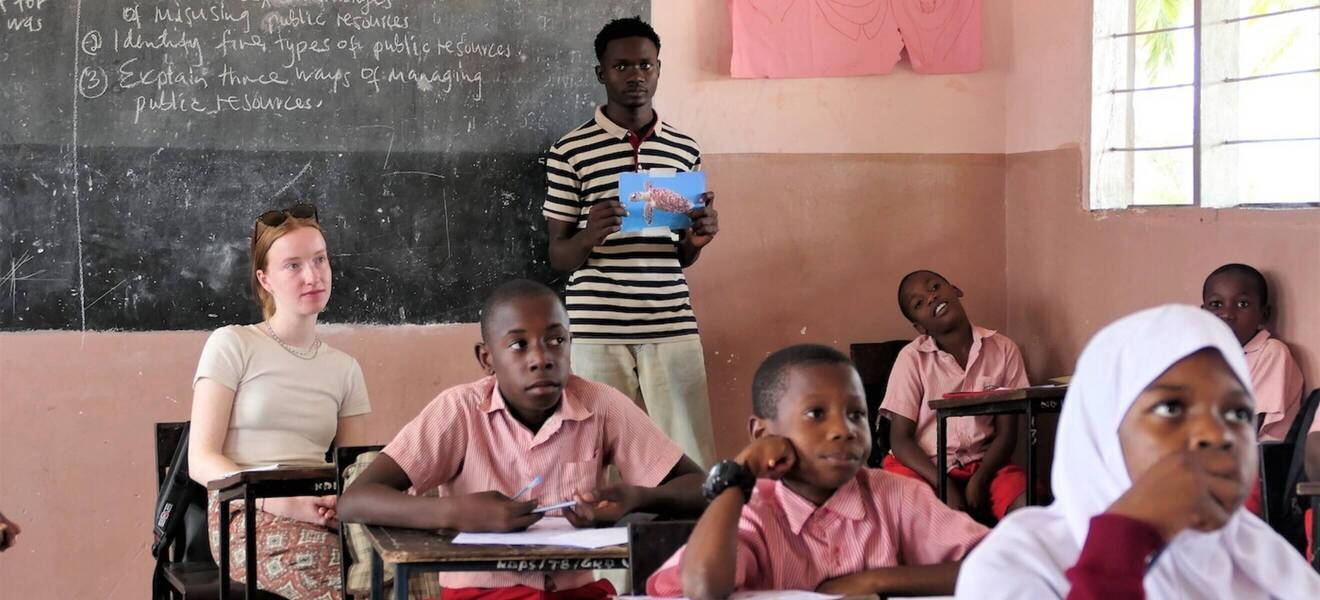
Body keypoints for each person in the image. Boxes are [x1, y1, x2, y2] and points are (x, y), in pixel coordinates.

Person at [338, 279, 706, 600]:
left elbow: (701, 486)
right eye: (518, 345)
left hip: (577, 593)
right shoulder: (459, 410)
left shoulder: (601, 404)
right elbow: (355, 500)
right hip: (480, 596)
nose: (541, 358)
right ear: (487, 358)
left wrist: (637, 497)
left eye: (555, 340)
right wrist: (455, 512)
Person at [956, 305, 1320, 599]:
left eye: (1237, 413)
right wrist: (1121, 543)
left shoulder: (1261, 559)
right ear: (1102, 429)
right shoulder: (1022, 564)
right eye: (1171, 409)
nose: (1217, 435)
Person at [647, 344, 987, 598]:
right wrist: (741, 471)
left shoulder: (896, 495)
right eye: (816, 414)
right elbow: (702, 587)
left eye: (856, 414)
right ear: (763, 434)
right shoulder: (754, 511)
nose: (844, 430)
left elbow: (996, 561)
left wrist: (874, 580)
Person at [542, 16, 718, 468]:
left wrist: (696, 240)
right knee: (594, 457)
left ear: (658, 69)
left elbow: (680, 254)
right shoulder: (571, 150)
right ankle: (605, 540)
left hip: (669, 320)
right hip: (598, 327)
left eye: (645, 65)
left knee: (689, 454)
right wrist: (589, 234)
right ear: (601, 73)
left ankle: (690, 538)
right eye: (621, 66)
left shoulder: (683, 148)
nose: (635, 76)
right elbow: (558, 254)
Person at [189, 203, 371, 599]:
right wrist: (286, 503)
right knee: (344, 582)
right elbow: (200, 459)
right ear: (265, 278)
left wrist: (336, 502)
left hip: (326, 511)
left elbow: (352, 468)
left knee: (405, 570)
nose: (313, 276)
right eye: (293, 265)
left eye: (320, 260)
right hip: (248, 513)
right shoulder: (232, 343)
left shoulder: (345, 368)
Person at [881, 270, 1028, 520]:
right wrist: (943, 485)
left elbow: (1006, 434)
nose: (931, 297)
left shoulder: (1004, 349)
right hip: (923, 467)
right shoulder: (912, 358)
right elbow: (901, 440)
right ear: (919, 327)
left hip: (985, 464)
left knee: (1025, 505)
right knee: (905, 505)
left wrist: (980, 479)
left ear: (956, 289)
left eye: (935, 286)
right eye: (918, 303)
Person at [1201, 263, 1304, 441]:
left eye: (1242, 304)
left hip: (1258, 460)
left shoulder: (1271, 353)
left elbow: (1247, 425)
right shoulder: (1209, 359)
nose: (1227, 314)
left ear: (1264, 315)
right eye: (1216, 304)